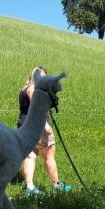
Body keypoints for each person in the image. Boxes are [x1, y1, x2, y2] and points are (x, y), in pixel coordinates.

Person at [17, 66, 72, 195]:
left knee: (30, 156)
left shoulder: (24, 89)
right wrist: (46, 126)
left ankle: (29, 187)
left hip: (24, 126)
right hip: (38, 127)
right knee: (49, 157)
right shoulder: (34, 90)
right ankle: (56, 186)